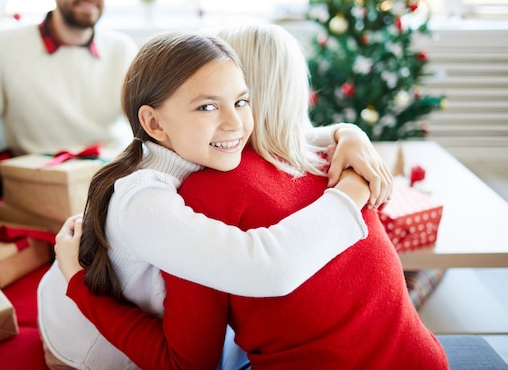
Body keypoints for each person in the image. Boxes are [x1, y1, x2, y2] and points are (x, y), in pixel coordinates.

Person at [55, 25, 449, 369]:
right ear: (154, 123)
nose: (234, 123)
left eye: (241, 101)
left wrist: (348, 133)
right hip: (92, 344)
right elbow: (268, 267)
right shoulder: (154, 200)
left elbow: (274, 133)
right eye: (208, 104)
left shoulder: (209, 155)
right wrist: (353, 189)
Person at [0, 0, 138, 187]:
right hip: (43, 183)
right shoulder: (2, 47)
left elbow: (143, 122)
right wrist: (1, 169)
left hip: (114, 179)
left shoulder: (121, 49)